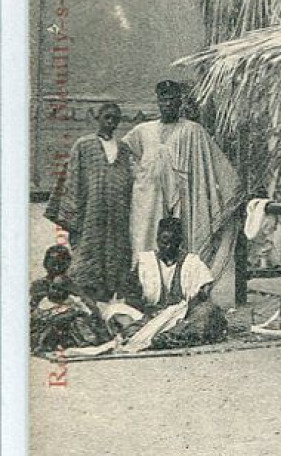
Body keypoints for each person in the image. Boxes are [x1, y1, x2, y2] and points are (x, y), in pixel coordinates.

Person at [124, 80, 241, 305]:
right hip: (150, 201)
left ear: (180, 103)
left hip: (184, 198)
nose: (168, 104)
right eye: (163, 100)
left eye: (172, 100)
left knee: (184, 241)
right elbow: (124, 154)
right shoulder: (143, 131)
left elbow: (217, 164)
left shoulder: (192, 131)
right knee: (147, 243)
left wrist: (235, 191)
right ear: (158, 102)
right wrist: (140, 176)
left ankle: (184, 293)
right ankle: (147, 294)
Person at [44, 102, 134, 300]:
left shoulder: (125, 149)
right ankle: (87, 298)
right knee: (88, 253)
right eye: (107, 117)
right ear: (98, 118)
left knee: (115, 253)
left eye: (115, 119)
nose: (111, 122)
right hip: (90, 215)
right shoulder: (84, 145)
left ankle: (109, 298)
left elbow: (131, 180)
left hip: (117, 215)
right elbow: (73, 178)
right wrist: (73, 213)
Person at [123, 216, 227, 351]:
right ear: (157, 240)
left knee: (208, 311)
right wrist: (149, 312)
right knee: (116, 312)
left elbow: (203, 294)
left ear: (180, 242)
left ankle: (166, 338)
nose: (168, 247)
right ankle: (153, 336)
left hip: (181, 318)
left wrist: (178, 311)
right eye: (164, 242)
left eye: (174, 243)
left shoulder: (192, 262)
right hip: (149, 317)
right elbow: (131, 296)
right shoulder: (145, 262)